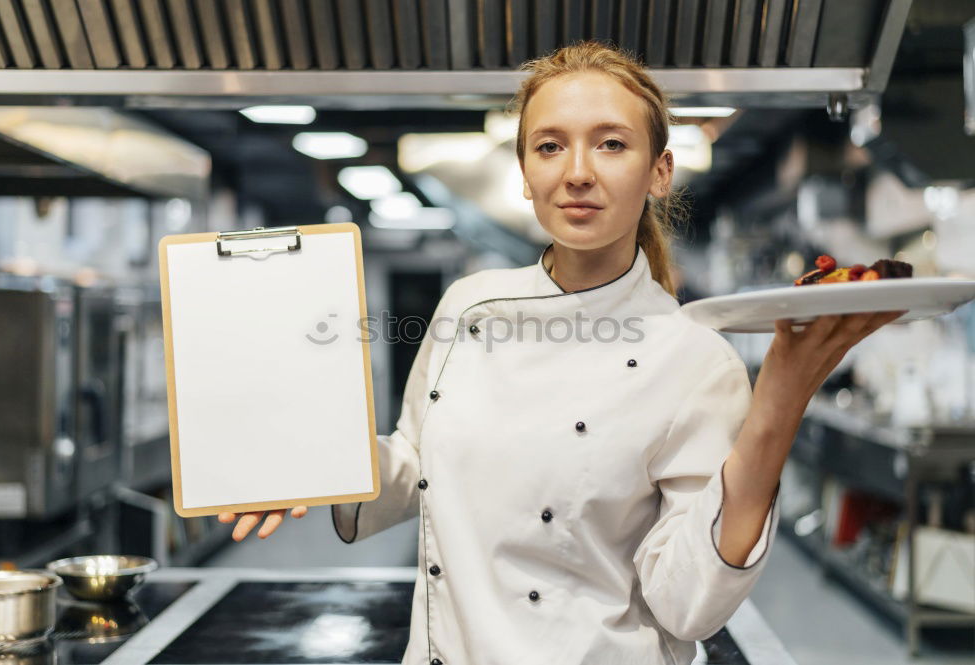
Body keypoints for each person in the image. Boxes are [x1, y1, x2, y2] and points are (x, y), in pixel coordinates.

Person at [219, 41, 905, 665]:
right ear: (524, 172)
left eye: (610, 144)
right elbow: (418, 465)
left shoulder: (694, 356)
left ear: (659, 171)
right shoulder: (469, 304)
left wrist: (779, 400)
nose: (577, 173)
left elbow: (687, 604)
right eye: (550, 147)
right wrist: (314, 461)